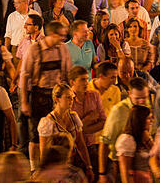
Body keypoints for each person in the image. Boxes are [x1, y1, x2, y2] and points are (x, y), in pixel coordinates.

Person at [18, 20, 71, 168]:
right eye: (60, 35)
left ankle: (53, 166)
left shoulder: (62, 49)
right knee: (35, 136)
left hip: (56, 97)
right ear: (52, 34)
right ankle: (35, 168)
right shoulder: (34, 49)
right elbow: (24, 76)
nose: (62, 39)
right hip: (39, 95)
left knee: (57, 133)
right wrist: (24, 102)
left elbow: (67, 74)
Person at [99, 77, 149, 182]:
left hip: (140, 164)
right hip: (120, 165)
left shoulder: (146, 107)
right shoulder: (118, 111)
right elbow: (104, 142)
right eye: (138, 98)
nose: (142, 101)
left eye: (144, 97)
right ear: (129, 93)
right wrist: (102, 173)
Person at [38, 84, 93, 179]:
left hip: (72, 165)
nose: (71, 101)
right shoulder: (48, 122)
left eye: (72, 98)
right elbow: (44, 152)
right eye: (68, 98)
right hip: (56, 169)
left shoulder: (74, 117)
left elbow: (80, 144)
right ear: (57, 99)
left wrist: (88, 166)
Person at [68, 66, 106, 175]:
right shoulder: (68, 99)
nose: (86, 82)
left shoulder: (94, 95)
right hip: (73, 149)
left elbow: (103, 121)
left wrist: (82, 128)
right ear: (72, 82)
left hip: (90, 145)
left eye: (87, 79)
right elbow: (69, 128)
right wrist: (88, 119)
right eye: (82, 79)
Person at [115, 104, 152, 183]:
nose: (151, 121)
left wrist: (148, 140)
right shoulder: (127, 140)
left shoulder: (143, 137)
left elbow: (156, 153)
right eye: (148, 118)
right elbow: (126, 172)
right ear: (140, 120)